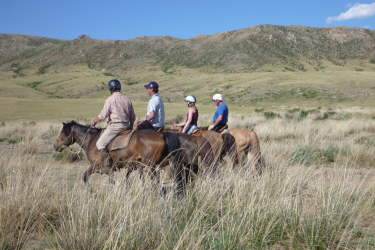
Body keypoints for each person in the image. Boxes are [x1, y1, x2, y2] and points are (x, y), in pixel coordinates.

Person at [91, 79, 136, 167]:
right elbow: (132, 116)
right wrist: (130, 126)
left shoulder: (110, 99)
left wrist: (95, 121)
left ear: (110, 89)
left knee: (100, 144)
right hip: (126, 126)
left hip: (115, 127)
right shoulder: (127, 99)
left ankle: (107, 161)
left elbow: (103, 115)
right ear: (119, 87)